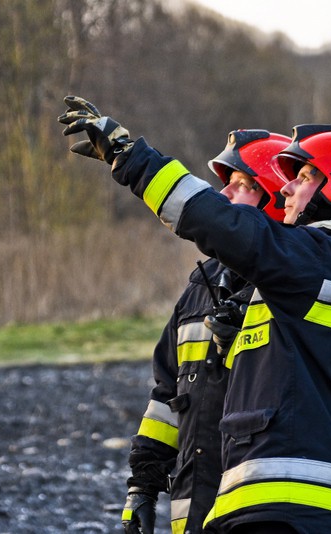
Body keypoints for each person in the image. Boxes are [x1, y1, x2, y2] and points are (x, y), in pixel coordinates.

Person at [59, 96, 331, 533]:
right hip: (297, 509)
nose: (287, 188)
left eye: (303, 177)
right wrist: (144, 484)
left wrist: (130, 158)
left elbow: (221, 223)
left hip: (275, 505)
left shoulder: (314, 262)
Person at [122, 130, 292, 534]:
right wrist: (142, 487)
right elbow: (167, 397)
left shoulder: (291, 290)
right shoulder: (199, 289)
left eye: (244, 185)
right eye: (226, 183)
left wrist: (243, 346)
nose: (226, 195)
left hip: (258, 514)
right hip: (192, 515)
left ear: (272, 201)